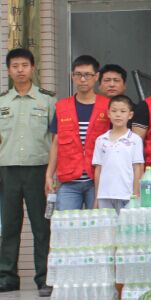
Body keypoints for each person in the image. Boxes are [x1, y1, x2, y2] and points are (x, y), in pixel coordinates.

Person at [0, 48, 56, 296]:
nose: (20, 70)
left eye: (24, 65)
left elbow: (55, 139)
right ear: (8, 70)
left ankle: (44, 278)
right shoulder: (0, 102)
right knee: (10, 226)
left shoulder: (48, 100)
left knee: (41, 227)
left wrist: (51, 174)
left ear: (33, 68)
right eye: (15, 66)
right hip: (9, 171)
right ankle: (8, 278)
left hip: (38, 171)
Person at [45, 55, 110, 211]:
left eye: (87, 75)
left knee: (98, 223)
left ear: (96, 77)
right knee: (67, 223)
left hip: (98, 180)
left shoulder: (108, 106)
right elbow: (56, 143)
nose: (82, 79)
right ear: (72, 76)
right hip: (69, 181)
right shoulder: (62, 107)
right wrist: (49, 175)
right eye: (78, 74)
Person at [93, 95, 144, 212]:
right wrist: (97, 196)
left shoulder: (135, 139)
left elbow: (138, 168)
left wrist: (136, 194)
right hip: (104, 195)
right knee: (106, 223)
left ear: (130, 115)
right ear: (108, 113)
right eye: (114, 111)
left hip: (127, 195)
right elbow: (98, 169)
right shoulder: (101, 140)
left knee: (126, 223)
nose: (118, 114)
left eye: (123, 111)